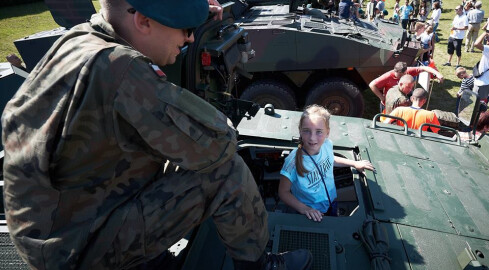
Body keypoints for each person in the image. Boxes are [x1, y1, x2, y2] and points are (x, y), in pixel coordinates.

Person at [0, 0, 313, 269]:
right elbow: (217, 144)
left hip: (52, 231)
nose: (190, 38)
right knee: (225, 173)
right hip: (75, 251)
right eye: (183, 28)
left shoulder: (81, 39)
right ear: (143, 21)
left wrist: (193, 11)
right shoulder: (121, 68)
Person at [278, 105, 374, 222]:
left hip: (331, 201)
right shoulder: (292, 163)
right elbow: (283, 192)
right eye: (307, 131)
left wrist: (354, 163)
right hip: (310, 212)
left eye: (319, 132)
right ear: (300, 131)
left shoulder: (326, 144)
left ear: (327, 132)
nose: (312, 138)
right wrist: (304, 209)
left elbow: (330, 159)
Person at [369, 61, 443, 110]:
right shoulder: (387, 76)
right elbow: (372, 85)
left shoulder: (408, 71)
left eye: (402, 75)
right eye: (398, 76)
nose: (400, 78)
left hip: (403, 104)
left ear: (406, 72)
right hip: (389, 105)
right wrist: (382, 98)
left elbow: (424, 68)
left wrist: (437, 74)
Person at [473, 26, 489, 103]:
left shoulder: (488, 49)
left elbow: (476, 44)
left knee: (478, 104)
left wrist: (484, 33)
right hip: (486, 81)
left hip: (482, 82)